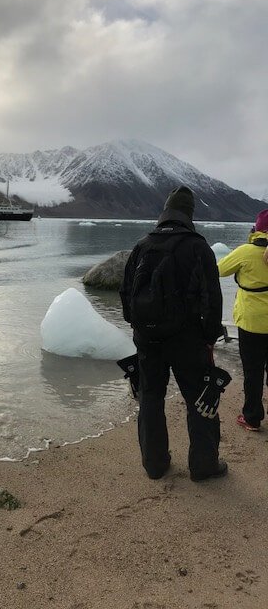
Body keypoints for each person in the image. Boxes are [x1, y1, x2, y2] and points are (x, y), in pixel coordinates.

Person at [120, 186, 226, 481]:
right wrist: (209, 337)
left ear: (164, 212)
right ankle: (203, 466)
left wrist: (136, 325)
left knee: (151, 397)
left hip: (147, 339)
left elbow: (126, 292)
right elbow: (213, 299)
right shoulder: (198, 247)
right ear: (189, 214)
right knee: (198, 400)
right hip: (188, 340)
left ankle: (154, 465)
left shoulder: (142, 245)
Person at [218, 209, 268, 431]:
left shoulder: (246, 251)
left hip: (251, 323)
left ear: (256, 229)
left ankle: (252, 417)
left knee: (253, 371)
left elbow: (219, 270)